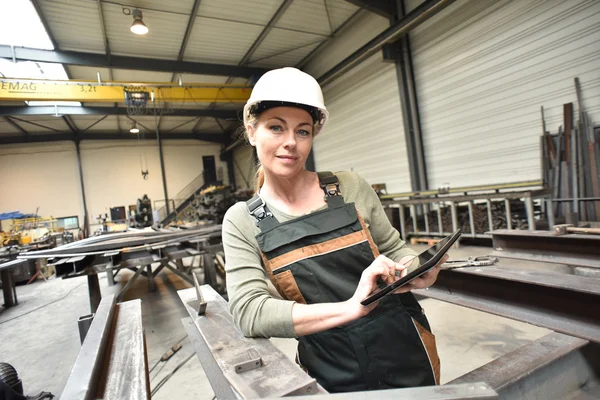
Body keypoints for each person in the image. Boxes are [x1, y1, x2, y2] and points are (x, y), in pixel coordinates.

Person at [222, 67, 446, 393]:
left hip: (404, 346)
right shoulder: (242, 220)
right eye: (276, 128)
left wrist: (415, 268)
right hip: (328, 366)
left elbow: (395, 248)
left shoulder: (350, 187)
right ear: (252, 131)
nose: (290, 143)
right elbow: (250, 312)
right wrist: (350, 308)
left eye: (303, 132)